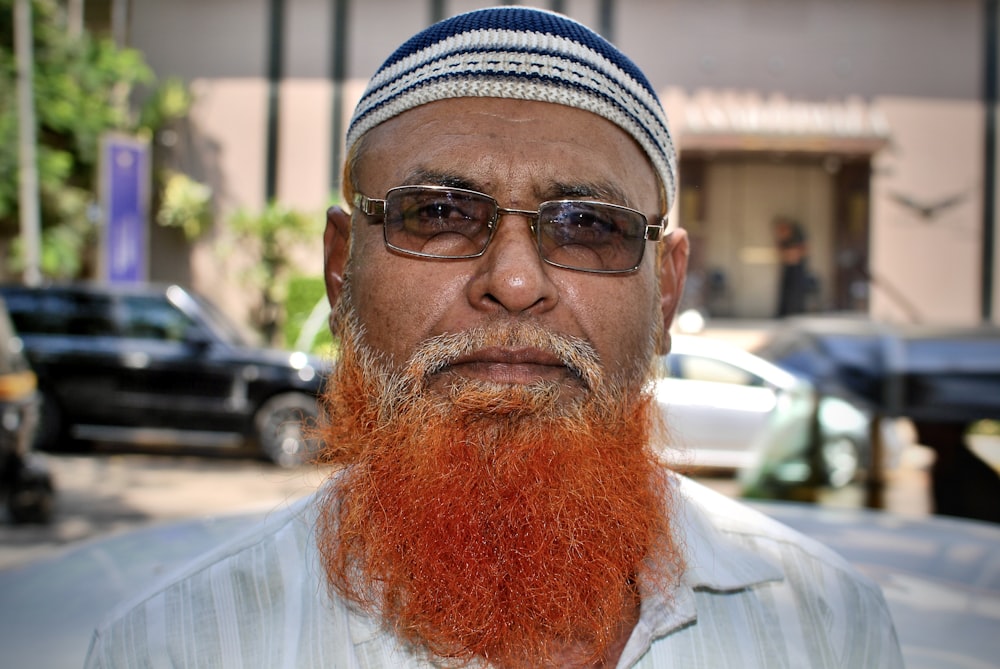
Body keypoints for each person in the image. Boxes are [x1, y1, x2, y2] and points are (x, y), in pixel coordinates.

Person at [84, 8, 903, 668]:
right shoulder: (172, 645)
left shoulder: (831, 628)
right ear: (341, 272)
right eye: (438, 212)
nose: (514, 281)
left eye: (587, 225)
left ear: (667, 293)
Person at [774, 215, 811, 317]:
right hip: (788, 268)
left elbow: (799, 254)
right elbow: (782, 253)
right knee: (785, 293)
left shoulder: (798, 237)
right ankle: (784, 315)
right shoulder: (784, 240)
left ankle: (796, 314)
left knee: (796, 294)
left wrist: (790, 254)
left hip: (798, 270)